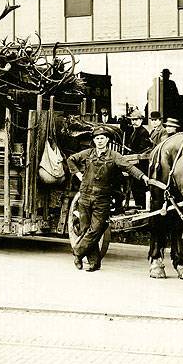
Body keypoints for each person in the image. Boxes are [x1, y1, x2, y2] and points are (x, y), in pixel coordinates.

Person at [67, 126, 150, 272]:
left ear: (107, 140)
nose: (100, 141)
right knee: (86, 229)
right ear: (94, 140)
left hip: (102, 198)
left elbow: (129, 167)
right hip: (85, 196)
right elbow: (71, 160)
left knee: (96, 229)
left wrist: (142, 176)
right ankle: (94, 262)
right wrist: (79, 175)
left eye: (102, 138)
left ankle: (78, 253)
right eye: (97, 138)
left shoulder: (114, 156)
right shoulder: (88, 153)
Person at [126, 110, 151, 209]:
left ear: (141, 120)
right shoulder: (134, 131)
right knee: (135, 186)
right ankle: (139, 205)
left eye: (136, 120)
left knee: (139, 186)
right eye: (132, 120)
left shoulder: (143, 132)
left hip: (141, 164)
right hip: (134, 163)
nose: (133, 122)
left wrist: (130, 151)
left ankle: (142, 207)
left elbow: (143, 149)